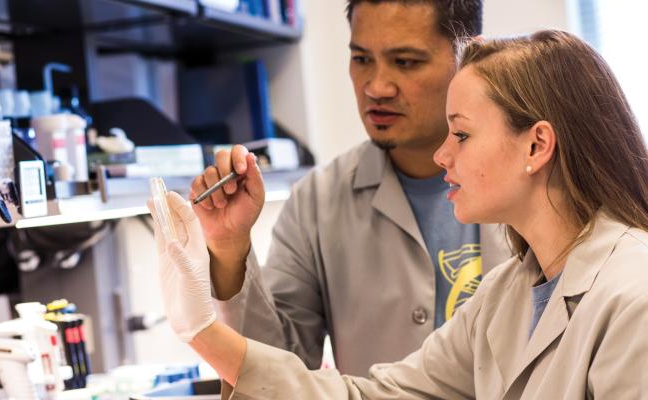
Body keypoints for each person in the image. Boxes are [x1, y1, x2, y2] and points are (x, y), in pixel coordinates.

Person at [151, 29, 648, 398]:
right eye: (362, 58)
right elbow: (373, 397)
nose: (442, 156)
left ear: (537, 144)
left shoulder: (633, 295)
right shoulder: (506, 296)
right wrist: (203, 333)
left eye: (462, 134)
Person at [186, 0, 510, 377]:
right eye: (361, 59)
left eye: (405, 62)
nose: (377, 87)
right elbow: (276, 372)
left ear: (470, 56)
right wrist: (228, 250)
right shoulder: (317, 201)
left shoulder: (535, 179)